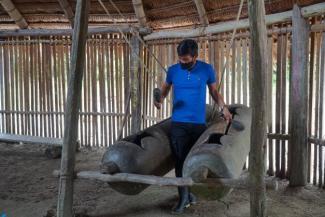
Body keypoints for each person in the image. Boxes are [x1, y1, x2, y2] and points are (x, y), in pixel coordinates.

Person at [154, 39, 232, 214]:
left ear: (195, 56)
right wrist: (159, 100)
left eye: (186, 60)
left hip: (198, 125)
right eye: (180, 59)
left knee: (193, 160)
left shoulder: (206, 69)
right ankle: (183, 198)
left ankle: (192, 193)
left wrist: (224, 108)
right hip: (179, 124)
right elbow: (165, 89)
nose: (182, 62)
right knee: (180, 161)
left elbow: (214, 92)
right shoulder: (173, 71)